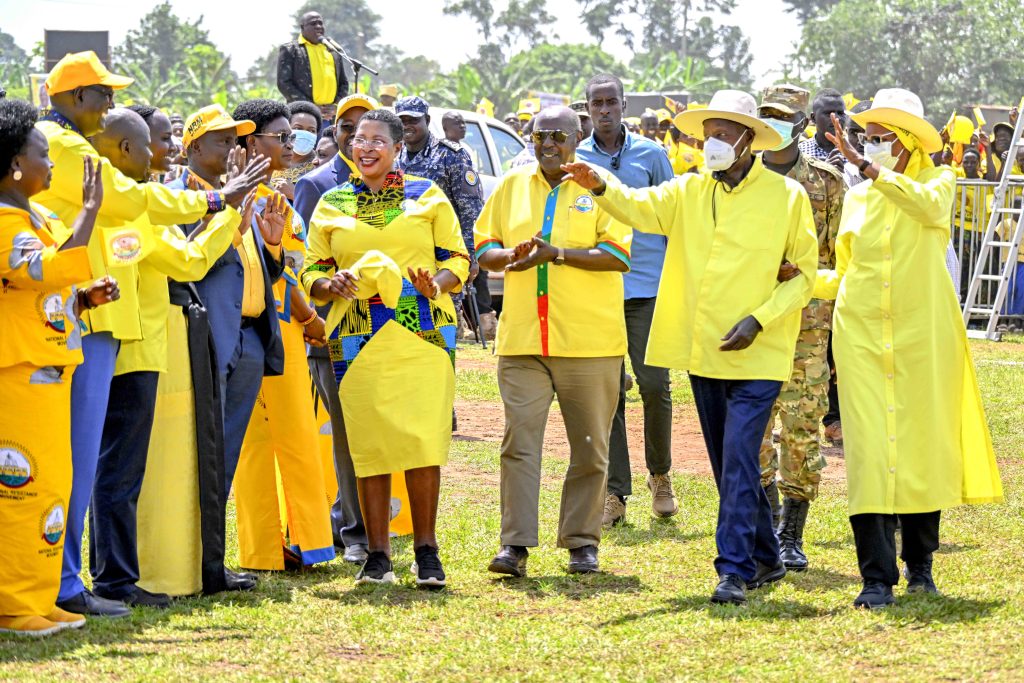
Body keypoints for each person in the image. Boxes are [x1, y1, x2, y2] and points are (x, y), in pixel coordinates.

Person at [562, 89, 819, 605]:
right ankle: (767, 558)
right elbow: (637, 207)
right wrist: (601, 183)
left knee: (741, 456)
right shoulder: (688, 191)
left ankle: (733, 568)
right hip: (706, 351)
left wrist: (758, 319)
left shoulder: (787, 197)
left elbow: (804, 277)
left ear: (750, 139)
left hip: (759, 351)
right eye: (709, 134)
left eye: (725, 134)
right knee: (731, 463)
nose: (713, 143)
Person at [33, 51, 253, 618]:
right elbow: (172, 248)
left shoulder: (85, 165)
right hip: (104, 332)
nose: (109, 106)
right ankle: (76, 581)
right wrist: (220, 203)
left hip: (109, 330)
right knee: (94, 467)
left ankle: (74, 578)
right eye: (104, 95)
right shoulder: (70, 150)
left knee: (91, 465)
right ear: (77, 97)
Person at [815, 88, 1003, 609]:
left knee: (919, 450)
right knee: (870, 455)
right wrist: (803, 278)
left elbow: (927, 208)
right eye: (867, 139)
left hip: (923, 338)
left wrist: (871, 170)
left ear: (907, 146)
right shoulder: (856, 199)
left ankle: (921, 568)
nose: (869, 147)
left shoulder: (937, 182)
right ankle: (876, 577)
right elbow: (847, 273)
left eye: (881, 140)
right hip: (861, 339)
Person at [87, 108, 264, 607]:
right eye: (154, 142)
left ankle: (122, 576)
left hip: (142, 346)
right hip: (132, 347)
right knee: (118, 473)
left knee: (122, 471)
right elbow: (186, 261)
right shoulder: (127, 212)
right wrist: (227, 211)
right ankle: (116, 581)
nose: (161, 153)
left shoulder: (136, 206)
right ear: (121, 151)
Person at [301, 109, 470, 587]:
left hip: (422, 325)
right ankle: (377, 554)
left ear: (398, 147)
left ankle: (426, 550)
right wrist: (328, 284)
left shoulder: (427, 195)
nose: (366, 146)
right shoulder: (332, 202)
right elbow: (310, 269)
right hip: (357, 329)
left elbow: (458, 256)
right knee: (368, 443)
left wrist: (433, 282)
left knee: (421, 438)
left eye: (377, 139)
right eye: (358, 139)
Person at [477, 106, 631, 577]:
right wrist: (511, 257)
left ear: (578, 136)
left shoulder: (601, 187)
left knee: (589, 447)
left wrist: (557, 255)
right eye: (540, 135)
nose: (548, 144)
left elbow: (617, 255)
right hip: (523, 339)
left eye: (558, 135)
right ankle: (515, 544)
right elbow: (484, 249)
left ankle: (582, 542)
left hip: (589, 340)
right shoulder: (510, 186)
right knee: (519, 442)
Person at [0, 98, 117, 636]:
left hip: (51, 370)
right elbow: (37, 270)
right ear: (15, 164)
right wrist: (89, 211)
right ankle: (10, 604)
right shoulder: (5, 222)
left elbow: (45, 292)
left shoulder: (37, 217)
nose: (51, 165)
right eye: (42, 155)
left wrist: (85, 300)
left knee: (51, 489)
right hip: (17, 376)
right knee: (18, 492)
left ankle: (41, 596)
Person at [167, 103, 286, 525]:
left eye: (235, 140)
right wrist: (232, 216)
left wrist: (272, 246)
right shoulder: (182, 197)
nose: (233, 148)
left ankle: (211, 548)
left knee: (229, 442)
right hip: (209, 336)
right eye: (222, 141)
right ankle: (192, 546)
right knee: (204, 442)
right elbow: (191, 264)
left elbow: (260, 270)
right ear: (194, 147)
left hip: (250, 336)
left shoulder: (240, 193)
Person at [232, 98, 336, 573]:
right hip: (277, 329)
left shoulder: (250, 193)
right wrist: (312, 320)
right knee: (293, 437)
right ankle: (306, 542)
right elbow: (286, 276)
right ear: (253, 142)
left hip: (250, 331)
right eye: (283, 137)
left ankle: (264, 550)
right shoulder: (265, 198)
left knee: (255, 443)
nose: (293, 145)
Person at [576, 73, 677, 527]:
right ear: (587, 108)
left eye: (611, 102)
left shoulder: (652, 155)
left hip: (648, 288)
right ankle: (616, 491)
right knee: (609, 392)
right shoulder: (575, 159)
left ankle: (661, 475)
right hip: (598, 291)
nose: (604, 110)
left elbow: (673, 216)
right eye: (596, 103)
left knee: (654, 385)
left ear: (623, 105)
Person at [757, 85, 845, 570]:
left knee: (802, 428)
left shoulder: (827, 182)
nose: (774, 124)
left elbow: (836, 255)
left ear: (802, 123)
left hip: (807, 326)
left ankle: (791, 531)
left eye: (783, 116)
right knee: (751, 429)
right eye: (766, 115)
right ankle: (767, 518)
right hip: (750, 322)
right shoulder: (740, 176)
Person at [293, 93, 379, 563]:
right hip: (333, 330)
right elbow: (306, 264)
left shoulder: (401, 190)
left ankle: (378, 522)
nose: (356, 136)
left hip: (387, 330)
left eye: (367, 128)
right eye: (347, 127)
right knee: (345, 435)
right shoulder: (315, 185)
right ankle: (355, 531)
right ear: (335, 133)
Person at [276, 11, 349, 105]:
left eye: (320, 23)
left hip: (331, 115)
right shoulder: (291, 50)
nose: (318, 26)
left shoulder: (332, 49)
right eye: (313, 23)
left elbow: (343, 83)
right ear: (302, 28)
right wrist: (311, 107)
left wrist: (334, 106)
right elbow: (284, 84)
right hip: (303, 113)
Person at [271, 100, 323, 196]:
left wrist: (294, 193)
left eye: (311, 130)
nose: (305, 134)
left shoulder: (321, 166)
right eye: (298, 128)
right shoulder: (270, 160)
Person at [799, 88, 846, 168]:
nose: (837, 118)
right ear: (813, 118)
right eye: (829, 113)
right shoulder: (800, 152)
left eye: (841, 113)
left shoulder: (856, 152)